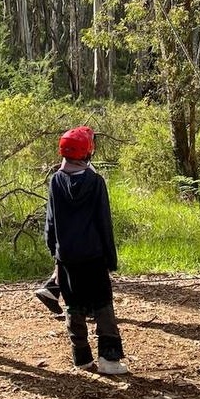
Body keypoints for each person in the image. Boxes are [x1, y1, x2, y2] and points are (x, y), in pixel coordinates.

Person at [44, 126, 128, 374]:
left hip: (67, 257)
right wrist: (110, 258)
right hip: (93, 256)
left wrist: (54, 250)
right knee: (102, 305)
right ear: (88, 152)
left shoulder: (56, 180)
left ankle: (81, 357)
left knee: (73, 305)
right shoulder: (95, 182)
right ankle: (109, 359)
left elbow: (50, 220)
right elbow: (104, 222)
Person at [35, 126, 96, 318]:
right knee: (85, 273)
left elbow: (52, 214)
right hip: (86, 241)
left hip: (65, 239)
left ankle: (52, 289)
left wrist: (52, 240)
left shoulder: (59, 175)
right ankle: (87, 306)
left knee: (69, 266)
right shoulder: (89, 175)